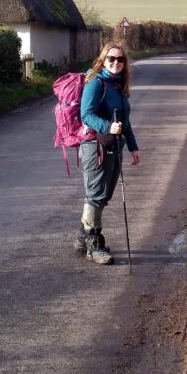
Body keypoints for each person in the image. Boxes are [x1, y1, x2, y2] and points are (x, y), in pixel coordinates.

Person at [74, 42, 141, 264]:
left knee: (103, 194)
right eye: (111, 58)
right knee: (96, 194)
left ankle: (83, 236)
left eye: (120, 59)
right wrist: (106, 127)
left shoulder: (118, 86)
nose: (115, 62)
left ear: (125, 63)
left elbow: (125, 121)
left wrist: (133, 146)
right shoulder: (95, 83)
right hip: (95, 146)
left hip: (114, 146)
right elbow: (86, 115)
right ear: (103, 60)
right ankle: (94, 246)